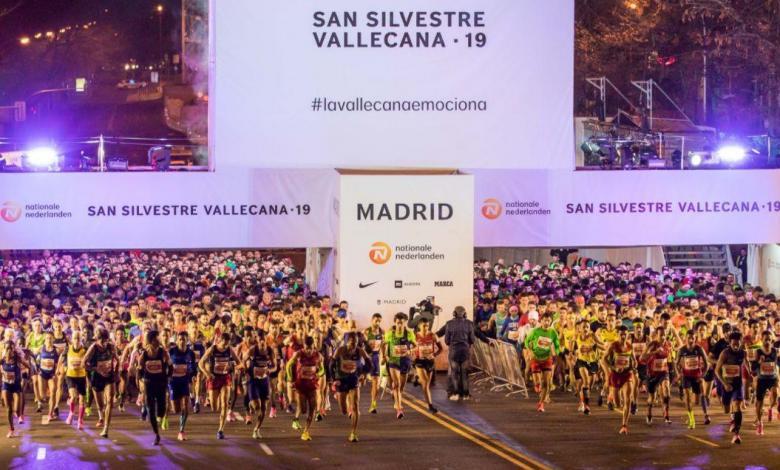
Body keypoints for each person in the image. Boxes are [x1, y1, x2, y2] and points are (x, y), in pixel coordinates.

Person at [332, 331, 373, 442]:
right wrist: (334, 380)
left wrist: (363, 374)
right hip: (341, 380)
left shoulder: (360, 351)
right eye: (351, 343)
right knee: (344, 410)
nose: (353, 345)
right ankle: (341, 399)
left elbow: (370, 364)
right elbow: (331, 365)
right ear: (346, 342)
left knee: (355, 406)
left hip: (354, 380)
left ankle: (353, 433)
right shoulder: (340, 350)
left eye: (355, 343)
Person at [199, 332, 239, 439]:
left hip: (225, 378)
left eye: (227, 344)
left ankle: (220, 430)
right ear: (219, 341)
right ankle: (209, 397)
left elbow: (239, 362)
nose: (225, 346)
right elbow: (200, 363)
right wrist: (207, 374)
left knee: (225, 403)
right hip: (214, 378)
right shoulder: (212, 349)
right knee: (214, 407)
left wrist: (234, 367)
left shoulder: (230, 350)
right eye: (224, 344)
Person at [286, 336, 324, 441]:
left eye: (310, 348)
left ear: (313, 346)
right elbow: (289, 365)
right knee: (303, 409)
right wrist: (290, 379)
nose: (308, 351)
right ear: (304, 346)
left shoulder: (318, 355)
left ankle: (306, 432)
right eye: (306, 348)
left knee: (312, 408)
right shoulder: (298, 354)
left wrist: (318, 373)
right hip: (300, 386)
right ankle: (298, 420)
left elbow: (322, 369)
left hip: (312, 385)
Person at [715, 331, 750, 444]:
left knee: (737, 405)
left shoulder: (743, 353)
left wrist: (751, 372)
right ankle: (732, 417)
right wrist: (725, 383)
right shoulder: (725, 353)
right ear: (729, 343)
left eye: (738, 344)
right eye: (733, 343)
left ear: (740, 342)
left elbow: (747, 364)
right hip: (726, 384)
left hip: (737, 384)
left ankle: (736, 434)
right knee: (726, 409)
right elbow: (717, 370)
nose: (736, 346)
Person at [138, 329, 172, 446]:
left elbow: (170, 366)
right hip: (149, 385)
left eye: (159, 338)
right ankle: (157, 434)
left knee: (162, 408)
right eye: (156, 339)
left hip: (161, 384)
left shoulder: (163, 352)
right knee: (150, 410)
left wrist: (168, 377)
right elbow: (139, 371)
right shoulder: (144, 354)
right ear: (151, 341)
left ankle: (160, 418)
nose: (159, 340)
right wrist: (141, 382)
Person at [83, 328, 118, 438]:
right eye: (102, 341)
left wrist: (116, 372)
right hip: (97, 377)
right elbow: (83, 363)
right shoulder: (93, 348)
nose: (104, 343)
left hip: (109, 376)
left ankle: (106, 428)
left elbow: (117, 359)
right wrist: (96, 369)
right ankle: (101, 417)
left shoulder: (111, 346)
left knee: (110, 401)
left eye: (106, 340)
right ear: (97, 340)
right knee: (101, 405)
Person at [601, 326, 635, 435]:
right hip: (615, 375)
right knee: (618, 404)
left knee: (628, 400)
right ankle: (611, 397)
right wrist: (613, 367)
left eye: (625, 334)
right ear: (618, 334)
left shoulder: (630, 346)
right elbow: (604, 359)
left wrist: (633, 366)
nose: (623, 336)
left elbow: (634, 360)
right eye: (621, 334)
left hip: (627, 374)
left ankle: (624, 425)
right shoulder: (613, 345)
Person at [438, 306, 476, 401]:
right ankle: (465, 394)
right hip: (465, 351)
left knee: (454, 373)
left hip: (454, 351)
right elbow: (472, 339)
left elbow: (446, 341)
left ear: (454, 313)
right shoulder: (469, 323)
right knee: (464, 373)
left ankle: (455, 394)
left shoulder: (449, 324)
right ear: (465, 314)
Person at [524, 313, 560, 412]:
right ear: (541, 321)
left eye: (548, 320)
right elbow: (527, 342)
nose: (546, 322)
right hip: (536, 358)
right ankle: (536, 385)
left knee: (546, 383)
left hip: (547, 359)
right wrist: (530, 351)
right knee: (538, 382)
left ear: (551, 321)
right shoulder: (535, 331)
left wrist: (555, 352)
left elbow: (557, 345)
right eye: (545, 320)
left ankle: (541, 404)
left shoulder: (553, 332)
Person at [243, 328, 276, 439]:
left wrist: (269, 370)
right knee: (257, 407)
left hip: (264, 381)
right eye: (259, 339)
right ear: (257, 339)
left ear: (266, 339)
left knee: (263, 409)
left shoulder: (270, 351)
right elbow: (243, 361)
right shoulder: (252, 350)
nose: (262, 341)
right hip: (253, 381)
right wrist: (246, 370)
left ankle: (256, 429)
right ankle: (250, 405)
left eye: (263, 339)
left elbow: (275, 366)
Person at [385, 312, 416, 416]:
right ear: (395, 322)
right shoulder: (390, 333)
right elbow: (384, 345)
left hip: (405, 361)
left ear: (405, 323)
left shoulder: (409, 333)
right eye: (398, 323)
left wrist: (411, 350)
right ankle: (399, 408)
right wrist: (385, 355)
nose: (399, 325)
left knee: (401, 387)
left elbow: (416, 346)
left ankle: (396, 399)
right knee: (397, 385)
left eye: (402, 323)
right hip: (393, 362)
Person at [676, 330, 708, 429]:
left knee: (696, 401)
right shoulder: (682, 350)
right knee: (688, 399)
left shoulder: (699, 349)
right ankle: (691, 419)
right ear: (685, 338)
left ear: (695, 339)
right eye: (689, 338)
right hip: (686, 377)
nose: (691, 340)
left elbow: (707, 364)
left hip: (696, 377)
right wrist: (679, 374)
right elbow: (676, 364)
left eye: (693, 338)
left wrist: (702, 376)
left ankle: (691, 413)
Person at [169, 331, 197, 441]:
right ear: (176, 341)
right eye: (180, 339)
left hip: (184, 381)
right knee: (176, 409)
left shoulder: (191, 353)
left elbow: (194, 367)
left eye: (184, 339)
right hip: (173, 382)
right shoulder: (171, 351)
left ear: (187, 340)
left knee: (186, 405)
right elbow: (166, 364)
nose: (182, 341)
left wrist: (193, 375)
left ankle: (181, 430)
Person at [60, 330, 88, 431]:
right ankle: (71, 413)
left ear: (81, 340)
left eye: (78, 339)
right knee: (73, 397)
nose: (76, 341)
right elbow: (62, 357)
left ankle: (80, 420)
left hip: (81, 376)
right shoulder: (68, 348)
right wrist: (62, 367)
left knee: (81, 400)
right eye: (75, 338)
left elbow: (89, 360)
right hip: (70, 376)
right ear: (72, 339)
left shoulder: (85, 349)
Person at [414, 317, 442, 413]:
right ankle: (430, 406)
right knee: (425, 384)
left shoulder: (433, 336)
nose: (426, 328)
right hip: (419, 361)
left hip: (429, 362)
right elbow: (411, 348)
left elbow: (440, 349)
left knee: (426, 385)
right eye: (424, 326)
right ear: (419, 326)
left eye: (427, 326)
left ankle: (417, 379)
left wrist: (433, 355)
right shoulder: (415, 336)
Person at [2, 341, 29, 438]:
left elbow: (28, 366)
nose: (9, 350)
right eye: (7, 348)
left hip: (16, 386)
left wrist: (25, 376)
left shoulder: (18, 359)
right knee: (9, 409)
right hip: (6, 386)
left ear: (14, 349)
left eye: (10, 348)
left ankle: (19, 414)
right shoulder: (2, 359)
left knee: (17, 410)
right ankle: (11, 429)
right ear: (4, 349)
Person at [754, 330, 778, 436]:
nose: (767, 342)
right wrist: (759, 362)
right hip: (762, 379)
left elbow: (777, 363)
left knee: (775, 395)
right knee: (759, 402)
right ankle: (760, 423)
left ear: (772, 340)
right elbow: (753, 368)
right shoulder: (758, 352)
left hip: (773, 378)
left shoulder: (775, 351)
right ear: (762, 340)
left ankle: (770, 408)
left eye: (769, 339)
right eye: (765, 340)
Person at [37, 330, 60, 421]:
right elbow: (36, 360)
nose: (49, 340)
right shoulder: (41, 348)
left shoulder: (56, 350)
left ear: (53, 339)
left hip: (51, 374)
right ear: (44, 339)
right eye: (47, 338)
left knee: (53, 391)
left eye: (50, 338)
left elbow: (59, 363)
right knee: (43, 396)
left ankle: (50, 413)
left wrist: (56, 372)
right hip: (42, 373)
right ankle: (44, 395)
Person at [363, 313, 384, 414]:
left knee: (376, 381)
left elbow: (383, 345)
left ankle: (373, 404)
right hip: (366, 357)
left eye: (379, 321)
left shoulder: (381, 332)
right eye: (376, 320)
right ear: (372, 320)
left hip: (375, 357)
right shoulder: (366, 331)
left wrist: (383, 356)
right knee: (360, 380)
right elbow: (361, 345)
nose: (378, 323)